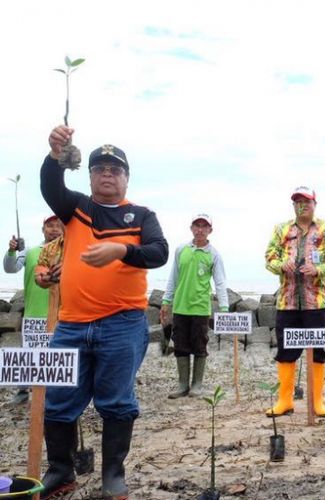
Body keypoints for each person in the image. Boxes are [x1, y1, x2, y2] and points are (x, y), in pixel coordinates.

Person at [41, 125, 169, 500]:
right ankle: (61, 472)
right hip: (71, 325)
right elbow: (51, 187)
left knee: (116, 400)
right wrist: (54, 155)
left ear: (126, 178)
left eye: (115, 169)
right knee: (59, 400)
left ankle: (113, 474)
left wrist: (121, 252)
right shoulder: (77, 208)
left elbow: (158, 252)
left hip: (122, 323)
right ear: (91, 175)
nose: (107, 174)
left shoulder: (142, 215)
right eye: (100, 168)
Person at [264, 186, 325, 418]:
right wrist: (281, 265)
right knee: (285, 350)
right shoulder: (281, 229)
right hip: (287, 302)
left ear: (314, 204)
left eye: (306, 201)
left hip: (315, 302)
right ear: (293, 205)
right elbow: (269, 257)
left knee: (317, 351)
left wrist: (317, 269)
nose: (302, 205)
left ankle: (317, 401)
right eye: (297, 201)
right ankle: (285, 401)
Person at [161, 214, 228, 399]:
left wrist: (224, 308)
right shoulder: (181, 249)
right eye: (196, 225)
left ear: (210, 230)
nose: (200, 229)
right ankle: (183, 384)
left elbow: (220, 283)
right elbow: (173, 278)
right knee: (180, 345)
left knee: (199, 345)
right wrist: (166, 301)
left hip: (200, 308)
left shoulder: (213, 254)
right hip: (180, 307)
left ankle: (196, 385)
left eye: (204, 226)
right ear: (191, 228)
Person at [3, 215, 63, 404]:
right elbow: (10, 268)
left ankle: (55, 393)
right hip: (34, 312)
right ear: (43, 229)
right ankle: (23, 392)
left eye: (58, 226)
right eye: (49, 226)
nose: (54, 229)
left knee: (59, 354)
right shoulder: (29, 251)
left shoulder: (68, 250)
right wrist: (12, 251)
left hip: (62, 313)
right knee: (29, 352)